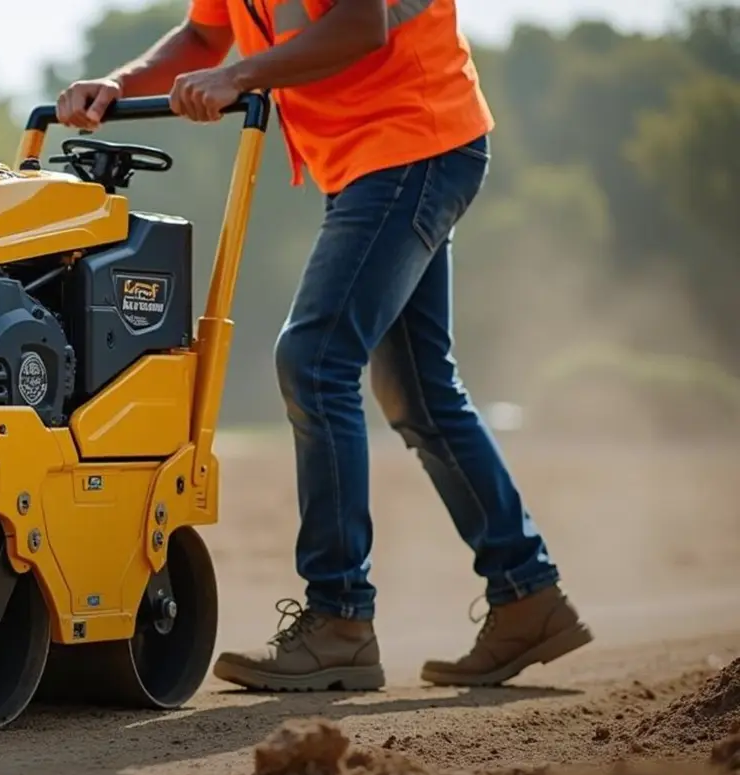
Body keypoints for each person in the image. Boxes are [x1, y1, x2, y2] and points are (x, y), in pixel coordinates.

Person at [55, 0, 593, 691]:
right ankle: (526, 596)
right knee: (419, 391)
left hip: (411, 140)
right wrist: (119, 84)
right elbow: (201, 34)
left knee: (314, 360)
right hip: (371, 158)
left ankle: (340, 617)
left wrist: (240, 77)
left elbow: (361, 24)